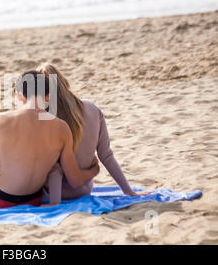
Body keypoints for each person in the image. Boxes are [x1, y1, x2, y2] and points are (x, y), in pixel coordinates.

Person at [0, 70, 100, 210]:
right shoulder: (62, 128)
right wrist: (94, 170)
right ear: (48, 97)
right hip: (33, 199)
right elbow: (75, 179)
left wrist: (1, 158)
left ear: (19, 95)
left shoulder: (3, 120)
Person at [37, 63, 148, 205]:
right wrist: (128, 191)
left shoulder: (45, 117)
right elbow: (106, 155)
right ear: (64, 82)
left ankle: (54, 204)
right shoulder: (92, 109)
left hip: (53, 193)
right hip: (84, 190)